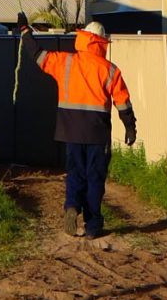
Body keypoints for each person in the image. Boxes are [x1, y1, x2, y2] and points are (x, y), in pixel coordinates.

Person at [21, 15, 136, 238]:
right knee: (95, 178)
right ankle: (92, 226)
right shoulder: (110, 70)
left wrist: (25, 30)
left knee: (75, 173)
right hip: (97, 132)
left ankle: (72, 205)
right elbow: (122, 101)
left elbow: (38, 55)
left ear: (83, 38)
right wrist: (130, 127)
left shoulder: (65, 62)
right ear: (102, 43)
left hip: (70, 130)